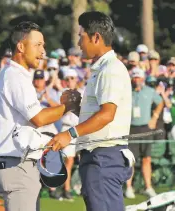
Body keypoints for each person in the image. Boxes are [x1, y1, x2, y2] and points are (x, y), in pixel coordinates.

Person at [0, 21, 81, 211]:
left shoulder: (13, 74)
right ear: (20, 46)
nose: (43, 51)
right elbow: (38, 118)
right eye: (38, 45)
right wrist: (68, 106)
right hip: (17, 166)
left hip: (15, 163)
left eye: (43, 45)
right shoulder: (15, 76)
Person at [47, 11, 134, 211]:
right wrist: (77, 107)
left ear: (96, 37)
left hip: (103, 156)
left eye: (81, 36)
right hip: (97, 157)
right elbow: (99, 116)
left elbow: (107, 115)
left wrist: (69, 134)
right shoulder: (101, 69)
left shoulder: (110, 69)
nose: (79, 43)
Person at [125, 68, 164, 199]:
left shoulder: (150, 91)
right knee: (130, 159)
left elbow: (160, 102)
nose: (137, 80)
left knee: (147, 158)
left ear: (143, 79)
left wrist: (155, 117)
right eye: (134, 77)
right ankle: (129, 187)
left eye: (139, 78)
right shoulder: (127, 91)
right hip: (131, 128)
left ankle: (148, 187)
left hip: (146, 128)